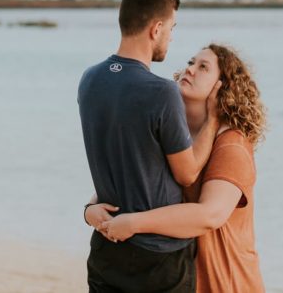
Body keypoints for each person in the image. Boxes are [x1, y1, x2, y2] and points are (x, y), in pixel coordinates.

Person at [78, 0, 221, 293]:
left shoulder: (89, 80)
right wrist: (212, 120)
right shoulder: (160, 92)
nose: (171, 37)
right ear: (156, 28)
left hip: (106, 247)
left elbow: (121, 159)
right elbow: (186, 174)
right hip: (158, 258)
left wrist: (88, 210)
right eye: (172, 28)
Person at [89, 44, 267, 293]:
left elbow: (210, 215)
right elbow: (134, 176)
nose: (190, 69)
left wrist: (135, 223)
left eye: (203, 67)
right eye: (191, 62)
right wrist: (92, 208)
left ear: (222, 87)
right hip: (180, 278)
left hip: (226, 280)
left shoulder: (231, 146)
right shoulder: (173, 135)